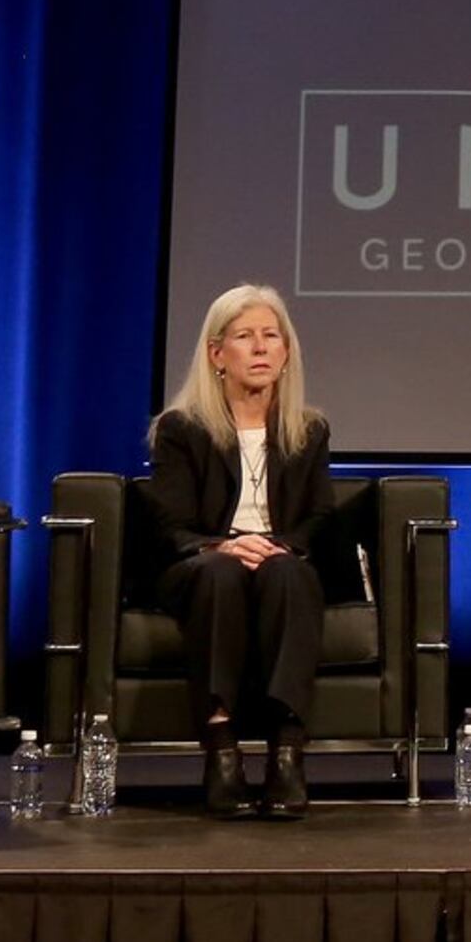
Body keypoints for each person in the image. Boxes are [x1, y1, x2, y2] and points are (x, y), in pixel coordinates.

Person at [144, 284, 336, 821]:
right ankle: (222, 752)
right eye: (245, 337)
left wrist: (278, 546)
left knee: (288, 575)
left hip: (280, 562)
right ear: (216, 354)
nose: (260, 349)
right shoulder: (182, 430)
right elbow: (169, 523)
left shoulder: (308, 430)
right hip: (201, 565)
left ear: (286, 352)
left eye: (271, 337)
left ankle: (286, 753)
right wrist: (222, 544)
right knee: (221, 574)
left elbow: (319, 517)